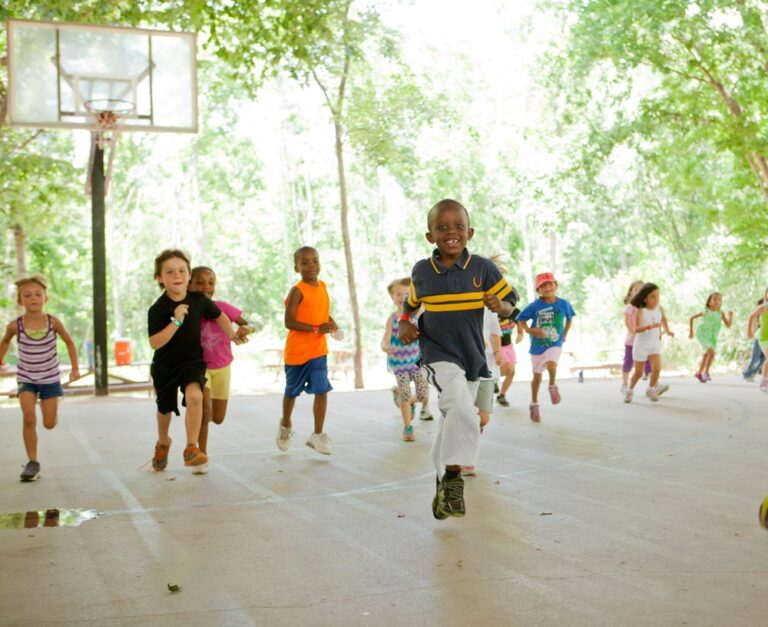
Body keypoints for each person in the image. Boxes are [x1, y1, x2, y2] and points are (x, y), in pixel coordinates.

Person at [399, 199, 518, 520]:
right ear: (430, 236)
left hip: (472, 357)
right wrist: (404, 323)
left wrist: (500, 306)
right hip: (437, 352)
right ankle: (453, 478)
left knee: (455, 419)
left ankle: (440, 482)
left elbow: (512, 303)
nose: (450, 232)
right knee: (463, 409)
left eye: (458, 227)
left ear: (470, 232)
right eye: (442, 227)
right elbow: (409, 306)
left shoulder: (482, 269)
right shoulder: (422, 271)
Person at [148, 249, 239, 474]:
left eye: (181, 270)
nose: (176, 275)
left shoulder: (199, 300)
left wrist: (233, 336)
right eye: (169, 272)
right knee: (165, 409)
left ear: (188, 276)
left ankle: (191, 447)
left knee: (196, 396)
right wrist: (176, 322)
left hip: (192, 362)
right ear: (159, 278)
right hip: (165, 365)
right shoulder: (158, 309)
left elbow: (220, 316)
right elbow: (155, 343)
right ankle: (163, 442)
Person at [0, 275, 80, 482]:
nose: (33, 298)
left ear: (46, 298)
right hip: (26, 378)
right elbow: (5, 342)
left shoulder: (53, 322)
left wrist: (74, 369)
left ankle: (49, 408)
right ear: (20, 301)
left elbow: (70, 343)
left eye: (38, 294)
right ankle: (32, 462)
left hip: (50, 379)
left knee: (49, 423)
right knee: (28, 417)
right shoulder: (14, 325)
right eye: (27, 295)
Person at [277, 246, 338, 455]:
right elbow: (289, 321)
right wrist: (315, 329)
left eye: (314, 260)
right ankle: (285, 425)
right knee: (292, 392)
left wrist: (331, 323)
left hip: (318, 351)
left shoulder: (322, 286)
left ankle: (318, 435)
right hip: (297, 353)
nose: (311, 265)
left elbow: (321, 314)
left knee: (322, 389)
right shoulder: (297, 290)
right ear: (297, 267)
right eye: (305, 262)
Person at [188, 266, 252, 456]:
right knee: (204, 412)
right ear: (189, 285)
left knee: (217, 417)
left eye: (210, 282)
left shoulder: (222, 307)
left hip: (223, 367)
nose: (206, 287)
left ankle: (201, 447)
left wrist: (246, 329)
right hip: (200, 368)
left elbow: (249, 323)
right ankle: (201, 455)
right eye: (199, 283)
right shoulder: (187, 310)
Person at [517, 272, 576, 423]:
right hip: (537, 345)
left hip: (555, 342)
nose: (547, 287)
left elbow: (569, 319)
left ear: (555, 285)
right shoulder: (534, 306)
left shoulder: (564, 304)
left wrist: (565, 334)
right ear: (538, 290)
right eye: (543, 285)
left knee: (551, 363)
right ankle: (534, 403)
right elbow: (520, 319)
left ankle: (552, 385)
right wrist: (530, 331)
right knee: (536, 376)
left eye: (550, 284)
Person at [380, 277, 432, 442]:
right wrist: (386, 347)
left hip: (418, 361)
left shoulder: (419, 314)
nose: (403, 297)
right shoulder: (393, 319)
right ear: (392, 297)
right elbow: (385, 340)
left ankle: (408, 401)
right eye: (398, 294)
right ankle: (408, 427)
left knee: (423, 394)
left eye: (407, 294)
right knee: (405, 395)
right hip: (400, 363)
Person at [461, 307, 505, 477]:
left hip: (487, 367)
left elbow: (495, 331)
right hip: (464, 366)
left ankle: (468, 446)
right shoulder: (461, 302)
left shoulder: (490, 308)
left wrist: (498, 351)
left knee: (483, 418)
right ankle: (467, 456)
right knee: (467, 414)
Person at [625, 282, 674, 403]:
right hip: (641, 344)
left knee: (657, 368)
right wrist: (650, 327)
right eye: (653, 297)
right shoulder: (641, 311)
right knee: (638, 372)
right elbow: (636, 329)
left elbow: (663, 320)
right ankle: (630, 390)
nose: (656, 299)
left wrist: (667, 331)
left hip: (654, 344)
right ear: (645, 298)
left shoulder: (659, 309)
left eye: (658, 296)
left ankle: (651, 389)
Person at [689, 292, 733, 382]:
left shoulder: (721, 313)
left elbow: (728, 325)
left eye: (719, 299)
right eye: (715, 299)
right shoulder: (706, 311)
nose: (717, 301)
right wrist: (691, 331)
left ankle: (699, 372)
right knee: (711, 352)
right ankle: (706, 372)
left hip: (712, 337)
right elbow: (691, 318)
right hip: (702, 334)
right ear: (709, 302)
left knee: (706, 355)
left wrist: (730, 316)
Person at [621, 280, 651, 394]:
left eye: (642, 290)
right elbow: (627, 322)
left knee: (648, 363)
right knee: (628, 363)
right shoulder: (630, 307)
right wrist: (634, 332)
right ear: (631, 293)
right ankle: (624, 383)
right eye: (636, 290)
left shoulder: (647, 308)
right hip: (631, 342)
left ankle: (653, 385)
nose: (639, 292)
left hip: (645, 341)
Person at [746, 289, 768, 392]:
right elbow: (751, 316)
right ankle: (764, 380)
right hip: (764, 338)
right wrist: (749, 331)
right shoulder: (763, 307)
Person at [743, 296, 766, 381]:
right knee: (755, 357)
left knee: (763, 359)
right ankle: (747, 373)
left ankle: (751, 373)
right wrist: (750, 333)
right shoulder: (761, 313)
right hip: (759, 338)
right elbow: (754, 324)